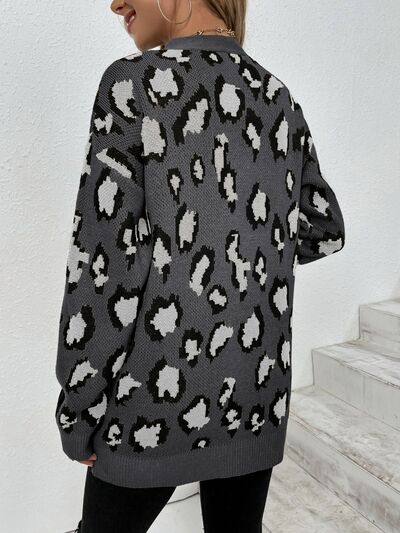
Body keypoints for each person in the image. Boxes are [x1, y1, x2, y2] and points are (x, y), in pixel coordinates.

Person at [54, 1, 346, 532]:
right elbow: (323, 229)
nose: (115, 3)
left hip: (147, 406)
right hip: (255, 395)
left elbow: (104, 268)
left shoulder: (132, 85)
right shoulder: (278, 97)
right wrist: (249, 252)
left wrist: (78, 408)